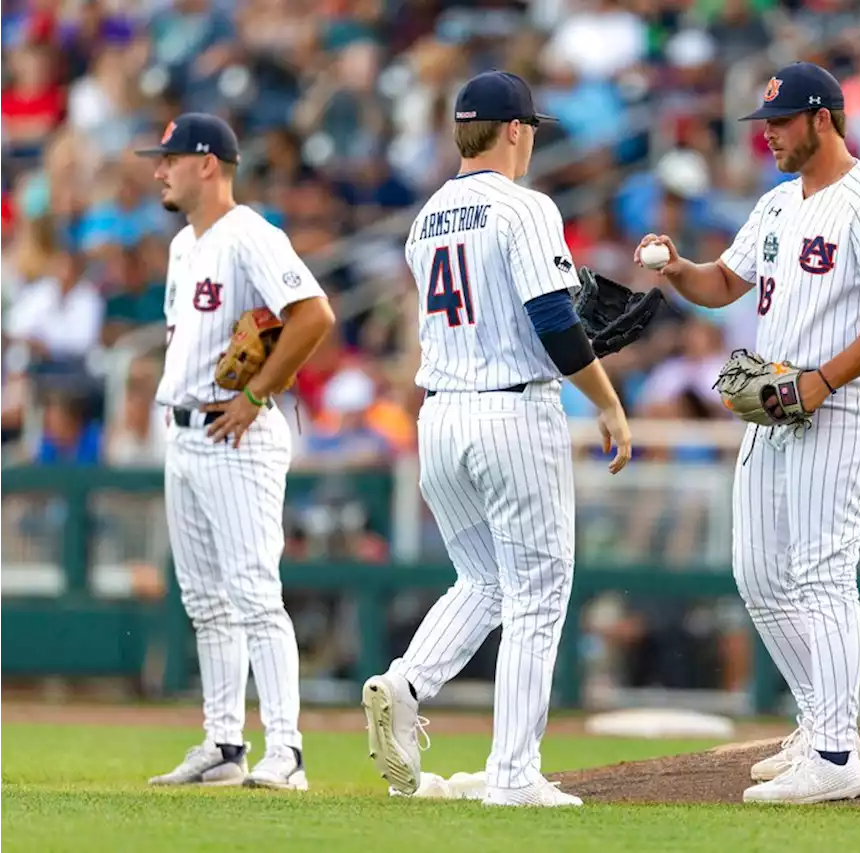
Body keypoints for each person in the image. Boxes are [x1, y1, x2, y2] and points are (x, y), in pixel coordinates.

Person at [636, 61, 860, 804]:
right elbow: (724, 283)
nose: (767, 135)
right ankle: (824, 723)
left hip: (846, 401)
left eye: (780, 121)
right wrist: (675, 269)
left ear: (823, 119)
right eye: (765, 122)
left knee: (822, 573)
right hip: (776, 398)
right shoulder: (773, 205)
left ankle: (834, 755)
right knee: (760, 574)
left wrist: (822, 379)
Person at [360, 71, 632, 808]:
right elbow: (550, 317)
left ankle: (407, 682)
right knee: (539, 594)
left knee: (482, 579)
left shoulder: (426, 218)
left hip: (441, 412)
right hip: (510, 410)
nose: (534, 137)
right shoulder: (524, 207)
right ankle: (513, 773)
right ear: (514, 129)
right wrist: (607, 399)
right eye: (532, 126)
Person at [136, 113, 336, 791]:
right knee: (204, 599)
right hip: (186, 430)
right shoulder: (181, 247)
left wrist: (257, 395)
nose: (159, 169)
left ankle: (288, 751)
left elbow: (314, 313)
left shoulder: (249, 233)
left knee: (254, 592)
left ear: (209, 164)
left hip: (238, 434)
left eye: (170, 159)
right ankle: (225, 743)